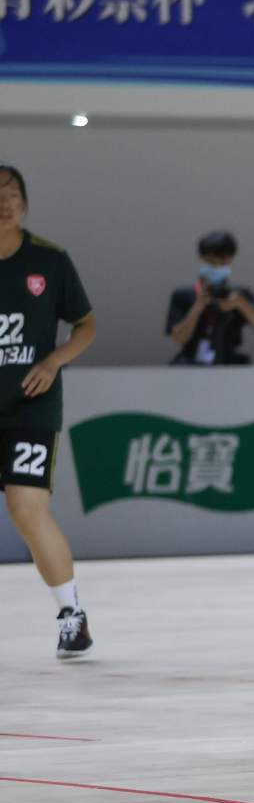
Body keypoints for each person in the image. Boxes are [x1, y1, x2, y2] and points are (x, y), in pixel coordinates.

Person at [0, 165, 98, 657]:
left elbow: (86, 324)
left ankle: (72, 617)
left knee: (27, 510)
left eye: (12, 194)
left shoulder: (50, 260)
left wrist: (54, 361)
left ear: (25, 203)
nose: (4, 203)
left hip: (30, 409)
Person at [165, 230, 254, 365]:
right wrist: (197, 307)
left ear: (230, 260)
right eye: (211, 261)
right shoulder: (183, 295)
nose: (216, 265)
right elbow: (178, 338)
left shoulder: (240, 295)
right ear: (201, 259)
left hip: (229, 361)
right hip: (190, 362)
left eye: (222, 261)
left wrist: (241, 304)